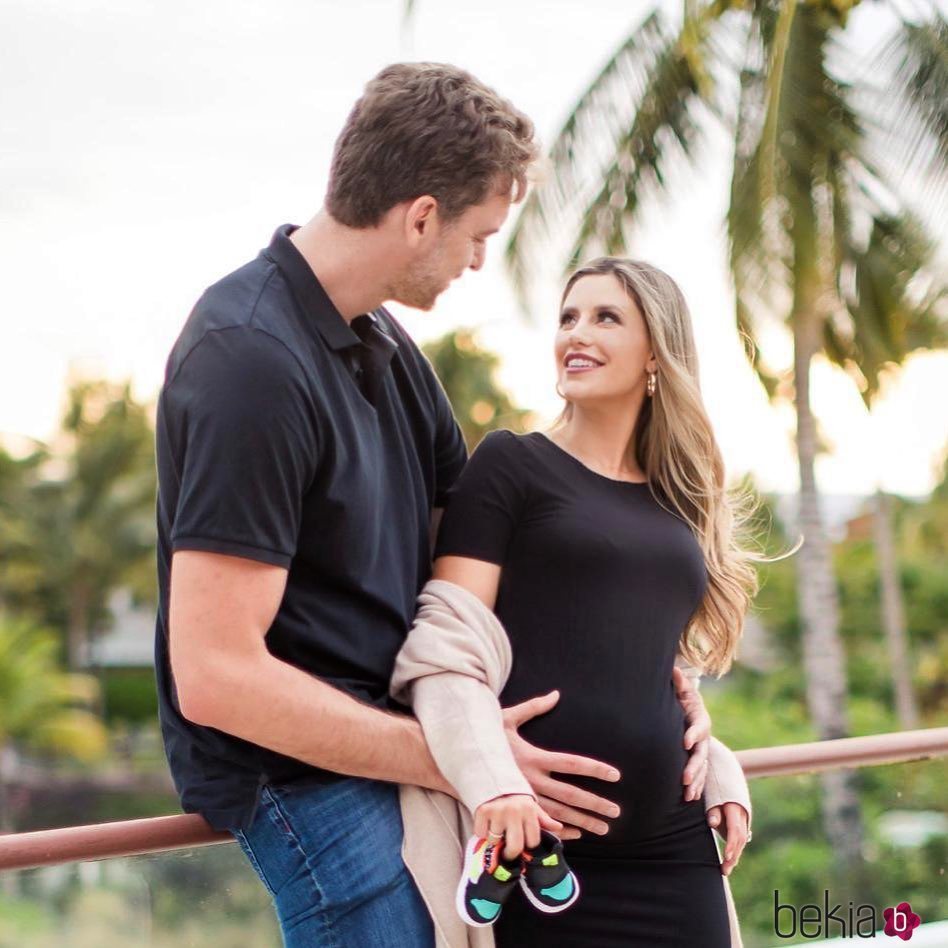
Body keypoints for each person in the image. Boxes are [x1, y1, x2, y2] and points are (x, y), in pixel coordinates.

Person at [154, 62, 740, 947]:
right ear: (421, 214)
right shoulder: (250, 362)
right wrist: (467, 757)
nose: (478, 260)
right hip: (307, 780)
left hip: (406, 749)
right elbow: (216, 677)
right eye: (479, 236)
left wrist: (657, 690)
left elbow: (499, 576)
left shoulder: (390, 351)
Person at [408, 256, 778, 946]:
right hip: (538, 849)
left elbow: (646, 670)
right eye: (568, 317)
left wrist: (717, 761)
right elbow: (444, 649)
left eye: (606, 317)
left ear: (656, 357)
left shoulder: (679, 500)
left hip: (675, 848)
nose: (576, 334)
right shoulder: (511, 465)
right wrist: (492, 770)